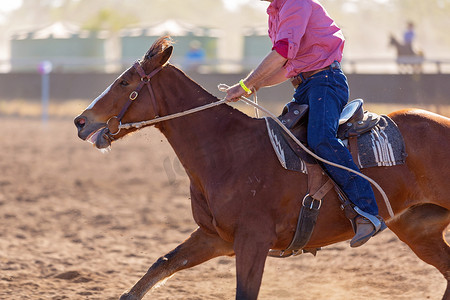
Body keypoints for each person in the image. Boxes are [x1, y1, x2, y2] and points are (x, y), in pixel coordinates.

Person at [225, 0, 386, 247]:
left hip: (325, 82)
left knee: (321, 140)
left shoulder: (296, 3)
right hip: (308, 86)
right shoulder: (275, 13)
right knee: (282, 143)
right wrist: (253, 86)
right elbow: (285, 66)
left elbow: (282, 52)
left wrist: (247, 84)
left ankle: (368, 211)